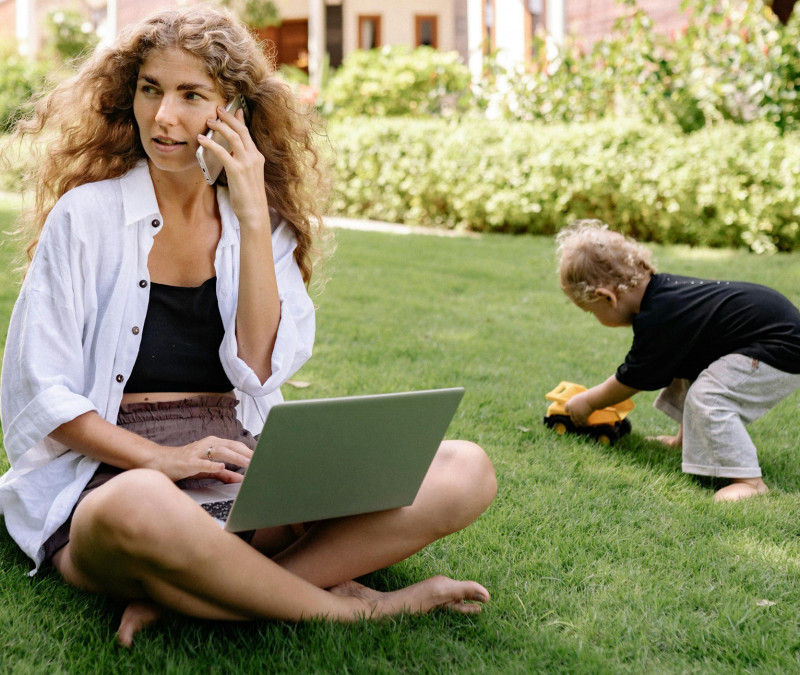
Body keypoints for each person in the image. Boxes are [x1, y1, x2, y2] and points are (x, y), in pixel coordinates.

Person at [0, 6, 497, 646]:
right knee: (140, 504)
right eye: (150, 89)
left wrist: (255, 216)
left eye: (190, 95)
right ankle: (347, 606)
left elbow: (259, 370)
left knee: (464, 469)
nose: (163, 116)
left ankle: (212, 591)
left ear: (232, 108)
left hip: (240, 462)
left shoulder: (261, 225)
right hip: (116, 471)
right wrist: (161, 459)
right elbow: (42, 394)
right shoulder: (86, 217)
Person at [556, 219, 800, 502]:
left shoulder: (659, 316)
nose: (594, 318)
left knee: (709, 395)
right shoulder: (664, 295)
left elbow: (635, 376)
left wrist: (588, 402)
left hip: (779, 345)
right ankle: (686, 442)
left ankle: (749, 481)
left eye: (590, 311)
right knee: (687, 367)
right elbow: (682, 363)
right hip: (771, 333)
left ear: (606, 297)